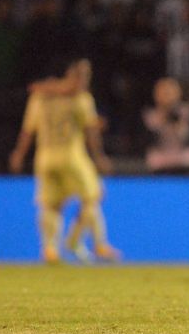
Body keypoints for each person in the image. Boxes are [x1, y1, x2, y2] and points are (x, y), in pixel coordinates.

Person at [9, 59, 121, 264]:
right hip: (72, 156)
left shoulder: (40, 96)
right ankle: (92, 243)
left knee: (51, 205)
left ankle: (50, 249)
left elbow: (28, 130)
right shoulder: (81, 98)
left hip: (45, 157)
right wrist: (99, 157)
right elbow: (90, 132)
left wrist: (18, 153)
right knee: (93, 196)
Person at [142, 77, 189, 174]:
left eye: (170, 92)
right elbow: (146, 142)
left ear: (178, 93)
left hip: (184, 157)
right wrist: (160, 121)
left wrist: (180, 125)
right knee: (153, 159)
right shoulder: (150, 116)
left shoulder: (188, 112)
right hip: (160, 159)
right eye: (163, 92)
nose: (167, 96)